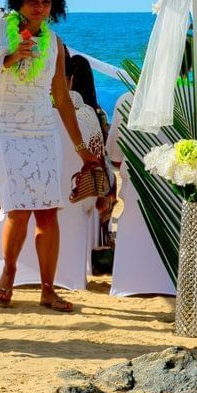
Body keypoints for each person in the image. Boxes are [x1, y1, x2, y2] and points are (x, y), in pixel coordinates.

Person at [0, 0, 102, 312]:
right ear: (19, 1)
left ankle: (48, 288)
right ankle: (8, 274)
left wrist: (80, 147)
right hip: (5, 124)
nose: (40, 8)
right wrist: (10, 57)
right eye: (33, 0)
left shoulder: (55, 43)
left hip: (43, 127)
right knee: (17, 208)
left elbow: (60, 96)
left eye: (46, 2)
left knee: (47, 210)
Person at [65, 51, 115, 253]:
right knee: (110, 178)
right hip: (85, 184)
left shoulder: (49, 110)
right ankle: (103, 229)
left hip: (63, 180)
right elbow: (103, 153)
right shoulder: (95, 113)